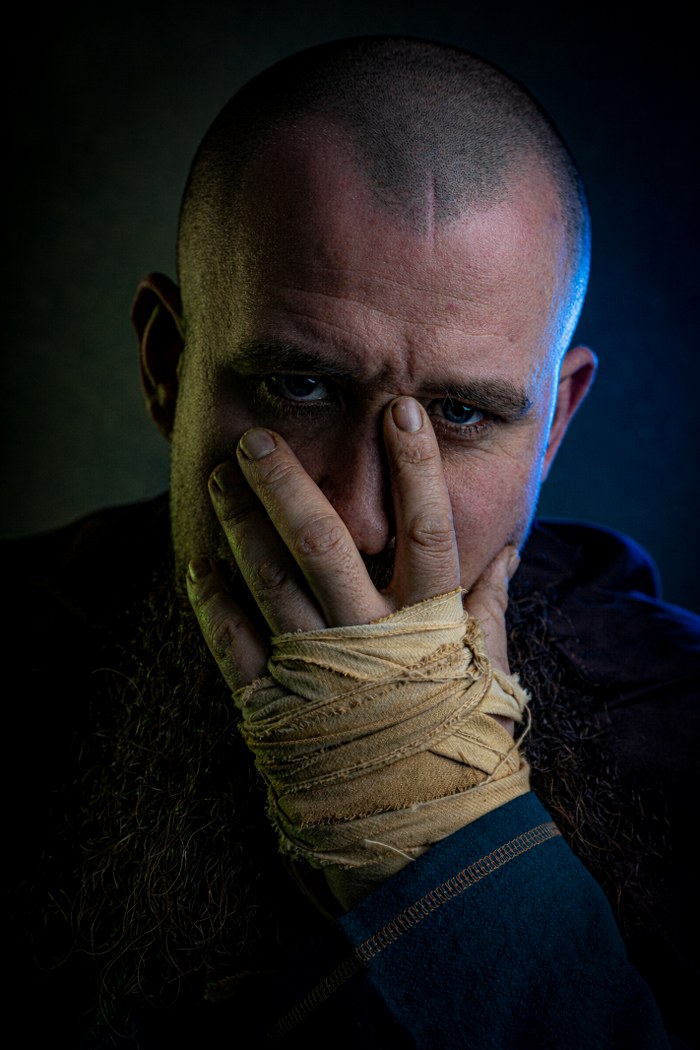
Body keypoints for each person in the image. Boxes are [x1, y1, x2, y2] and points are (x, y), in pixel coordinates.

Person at [4, 35, 698, 1049]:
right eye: (300, 387)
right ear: (166, 366)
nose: (367, 523)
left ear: (553, 426)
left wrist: (434, 831)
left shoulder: (680, 733)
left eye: (462, 413)